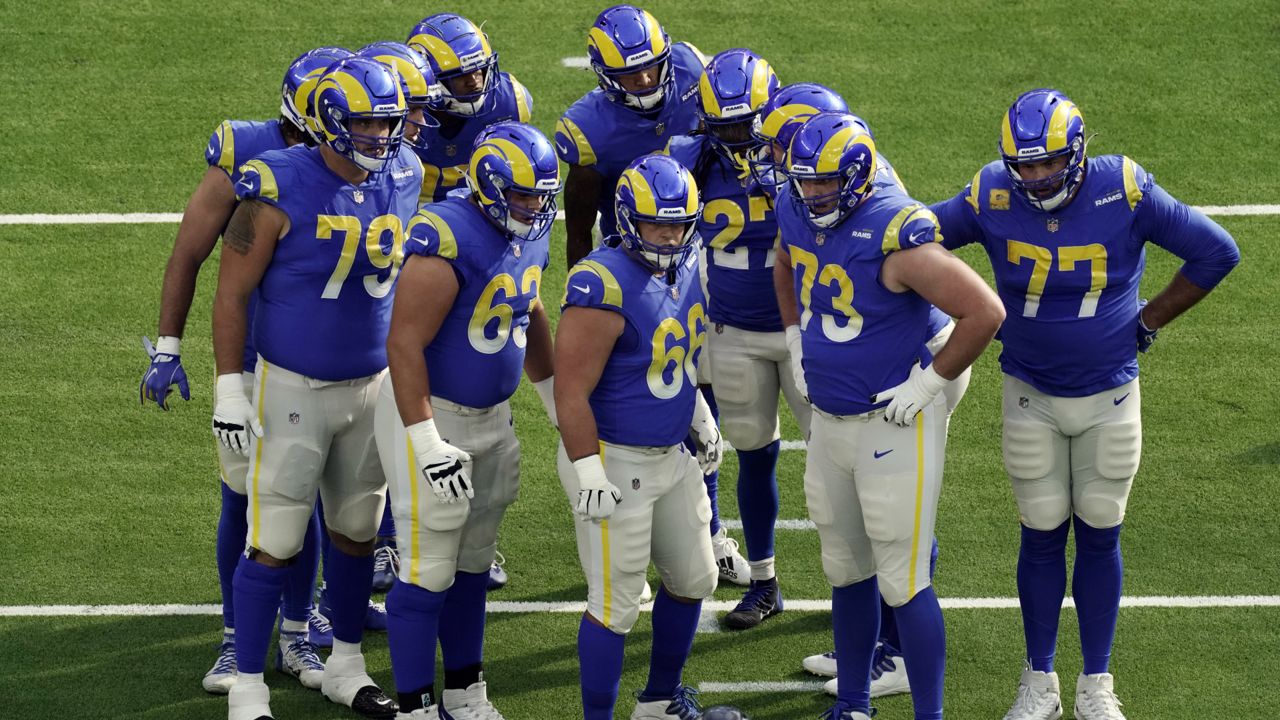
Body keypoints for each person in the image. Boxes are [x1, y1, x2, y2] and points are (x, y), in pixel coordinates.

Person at [929, 88, 1240, 720]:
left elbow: (1217, 251)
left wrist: (1148, 320)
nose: (1035, 177)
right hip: (1030, 392)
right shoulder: (992, 192)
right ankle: (1038, 681)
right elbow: (919, 240)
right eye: (1025, 164)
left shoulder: (1121, 187)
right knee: (1041, 532)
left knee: (1100, 529)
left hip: (1110, 394)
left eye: (1047, 163)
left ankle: (1096, 683)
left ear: (1076, 153)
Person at [211, 56, 423, 720]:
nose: (381, 136)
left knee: (358, 532)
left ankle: (345, 665)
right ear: (332, 122)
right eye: (365, 122)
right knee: (276, 536)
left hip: (372, 386)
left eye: (388, 122)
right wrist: (229, 388)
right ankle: (247, 683)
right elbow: (231, 293)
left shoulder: (409, 174)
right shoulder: (275, 184)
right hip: (294, 386)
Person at [775, 112, 1005, 720]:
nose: (814, 194)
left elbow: (984, 311)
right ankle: (853, 705)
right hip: (830, 418)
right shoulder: (793, 203)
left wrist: (931, 381)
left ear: (855, 176)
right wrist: (796, 336)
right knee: (845, 570)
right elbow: (783, 261)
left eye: (826, 183)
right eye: (806, 182)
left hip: (891, 423)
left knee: (903, 579)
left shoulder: (895, 229)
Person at [139, 45, 351, 694]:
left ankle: (295, 629)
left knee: (315, 494)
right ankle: (239, 637)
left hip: (333, 363)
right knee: (247, 496)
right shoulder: (246, 155)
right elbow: (189, 252)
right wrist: (169, 347)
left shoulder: (372, 164)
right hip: (260, 362)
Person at [374, 121, 560, 720]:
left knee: (475, 563)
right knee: (427, 569)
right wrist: (425, 441)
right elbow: (403, 344)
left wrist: (558, 405)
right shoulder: (447, 235)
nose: (533, 207)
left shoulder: (529, 232)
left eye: (541, 195)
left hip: (492, 419)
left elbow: (526, 308)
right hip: (433, 417)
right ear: (488, 186)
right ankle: (414, 706)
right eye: (523, 195)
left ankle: (464, 690)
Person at [555, 154, 721, 720]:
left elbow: (666, 357)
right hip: (614, 459)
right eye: (657, 224)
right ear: (627, 220)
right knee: (615, 605)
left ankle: (658, 703)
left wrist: (696, 410)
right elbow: (570, 392)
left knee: (696, 577)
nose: (670, 235)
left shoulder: (688, 261)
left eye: (679, 224)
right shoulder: (600, 282)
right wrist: (586, 469)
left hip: (671, 454)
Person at [665, 47, 792, 628]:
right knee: (753, 455)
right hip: (733, 332)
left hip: (807, 333)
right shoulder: (691, 160)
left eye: (748, 123)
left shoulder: (807, 152)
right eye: (727, 126)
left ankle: (876, 593)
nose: (740, 137)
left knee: (852, 466)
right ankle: (763, 582)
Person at [556, 4, 706, 269]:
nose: (645, 79)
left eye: (651, 66)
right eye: (629, 73)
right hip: (628, 250)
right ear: (605, 75)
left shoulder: (692, 69)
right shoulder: (589, 129)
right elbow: (579, 230)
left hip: (696, 235)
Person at [406, 13, 533, 205]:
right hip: (413, 210)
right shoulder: (402, 114)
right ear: (429, 78)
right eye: (460, 75)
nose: (474, 82)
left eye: (478, 69)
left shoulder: (511, 101)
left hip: (484, 209)